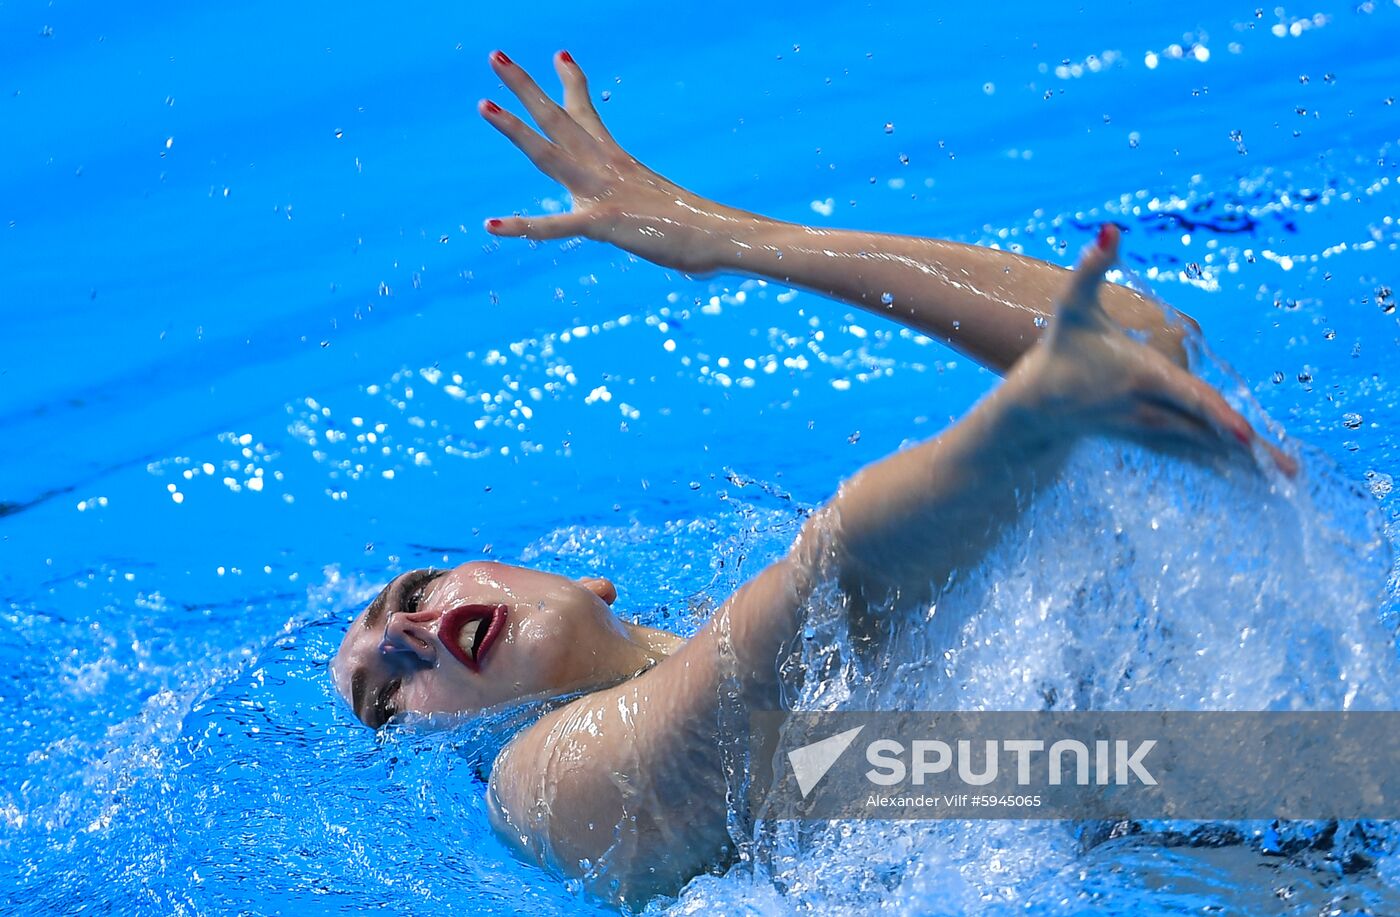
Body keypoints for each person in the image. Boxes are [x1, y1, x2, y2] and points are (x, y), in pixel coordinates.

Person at [331, 50, 1296, 905]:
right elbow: (832, 587)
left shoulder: (713, 627)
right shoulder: (541, 786)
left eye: (409, 594)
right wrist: (1029, 420)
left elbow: (1151, 351)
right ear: (423, 754)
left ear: (589, 581)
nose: (412, 634)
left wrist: (729, 237)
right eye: (386, 699)